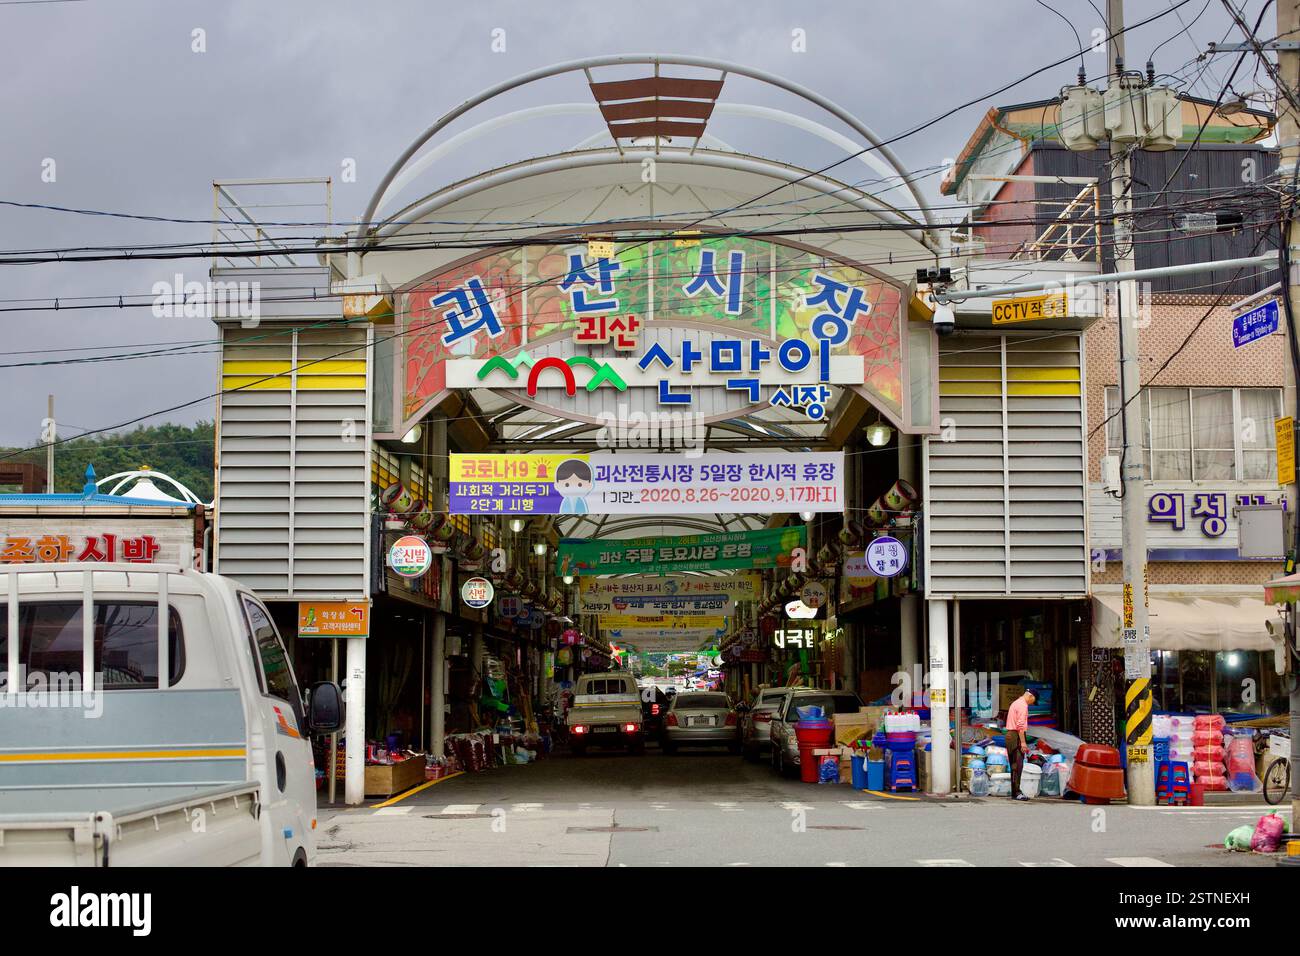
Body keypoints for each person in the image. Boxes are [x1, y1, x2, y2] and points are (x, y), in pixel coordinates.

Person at [1005, 687, 1037, 800]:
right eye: (1034, 700)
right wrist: (1023, 743)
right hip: (1015, 736)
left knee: (1014, 765)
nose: (1032, 703)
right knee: (1018, 766)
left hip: (1010, 735)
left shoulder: (1016, 703)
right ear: (1030, 696)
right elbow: (1020, 727)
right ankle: (1017, 792)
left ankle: (1015, 791)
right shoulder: (1023, 705)